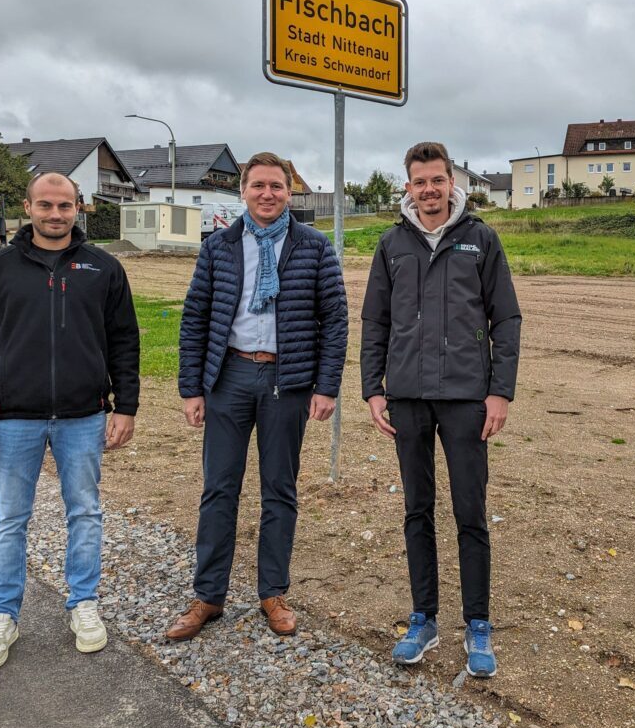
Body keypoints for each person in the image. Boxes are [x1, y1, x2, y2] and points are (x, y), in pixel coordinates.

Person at [0, 171, 139, 671]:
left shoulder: (103, 268)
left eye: (65, 206)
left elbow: (124, 340)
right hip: (14, 417)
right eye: (46, 205)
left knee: (85, 512)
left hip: (83, 416)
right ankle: (3, 616)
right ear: (28, 207)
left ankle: (82, 603)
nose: (55, 214)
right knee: (10, 519)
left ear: (79, 207)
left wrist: (126, 406)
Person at [166, 152, 348, 641]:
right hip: (227, 379)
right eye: (258, 185)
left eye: (277, 186)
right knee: (218, 489)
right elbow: (195, 318)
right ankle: (208, 596)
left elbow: (335, 320)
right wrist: (191, 389)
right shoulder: (219, 247)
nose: (267, 194)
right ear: (242, 190)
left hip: (286, 383)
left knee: (279, 491)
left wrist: (327, 385)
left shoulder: (313, 246)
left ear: (290, 192)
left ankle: (273, 593)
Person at [360, 142, 521, 678]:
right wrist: (372, 388)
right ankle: (423, 618)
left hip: (466, 398)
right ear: (407, 186)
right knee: (417, 509)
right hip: (406, 396)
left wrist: (499, 391)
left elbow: (508, 320)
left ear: (452, 183)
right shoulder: (391, 245)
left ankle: (477, 623)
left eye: (437, 180)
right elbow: (375, 323)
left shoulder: (481, 240)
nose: (429, 190)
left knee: (470, 513)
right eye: (419, 181)